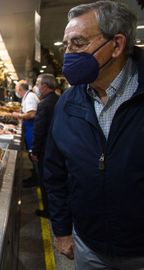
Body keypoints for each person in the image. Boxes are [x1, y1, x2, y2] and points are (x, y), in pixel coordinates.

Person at [44, 1, 144, 268]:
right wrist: (62, 230)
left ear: (117, 45)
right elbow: (55, 172)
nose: (68, 54)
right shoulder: (67, 103)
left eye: (78, 43)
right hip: (88, 246)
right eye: (66, 45)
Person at [29, 73, 59, 218]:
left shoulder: (44, 104)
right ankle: (54, 209)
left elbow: (39, 130)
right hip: (56, 148)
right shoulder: (58, 100)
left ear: (45, 86)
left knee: (45, 181)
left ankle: (48, 210)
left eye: (38, 84)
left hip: (45, 150)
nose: (36, 87)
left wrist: (34, 151)